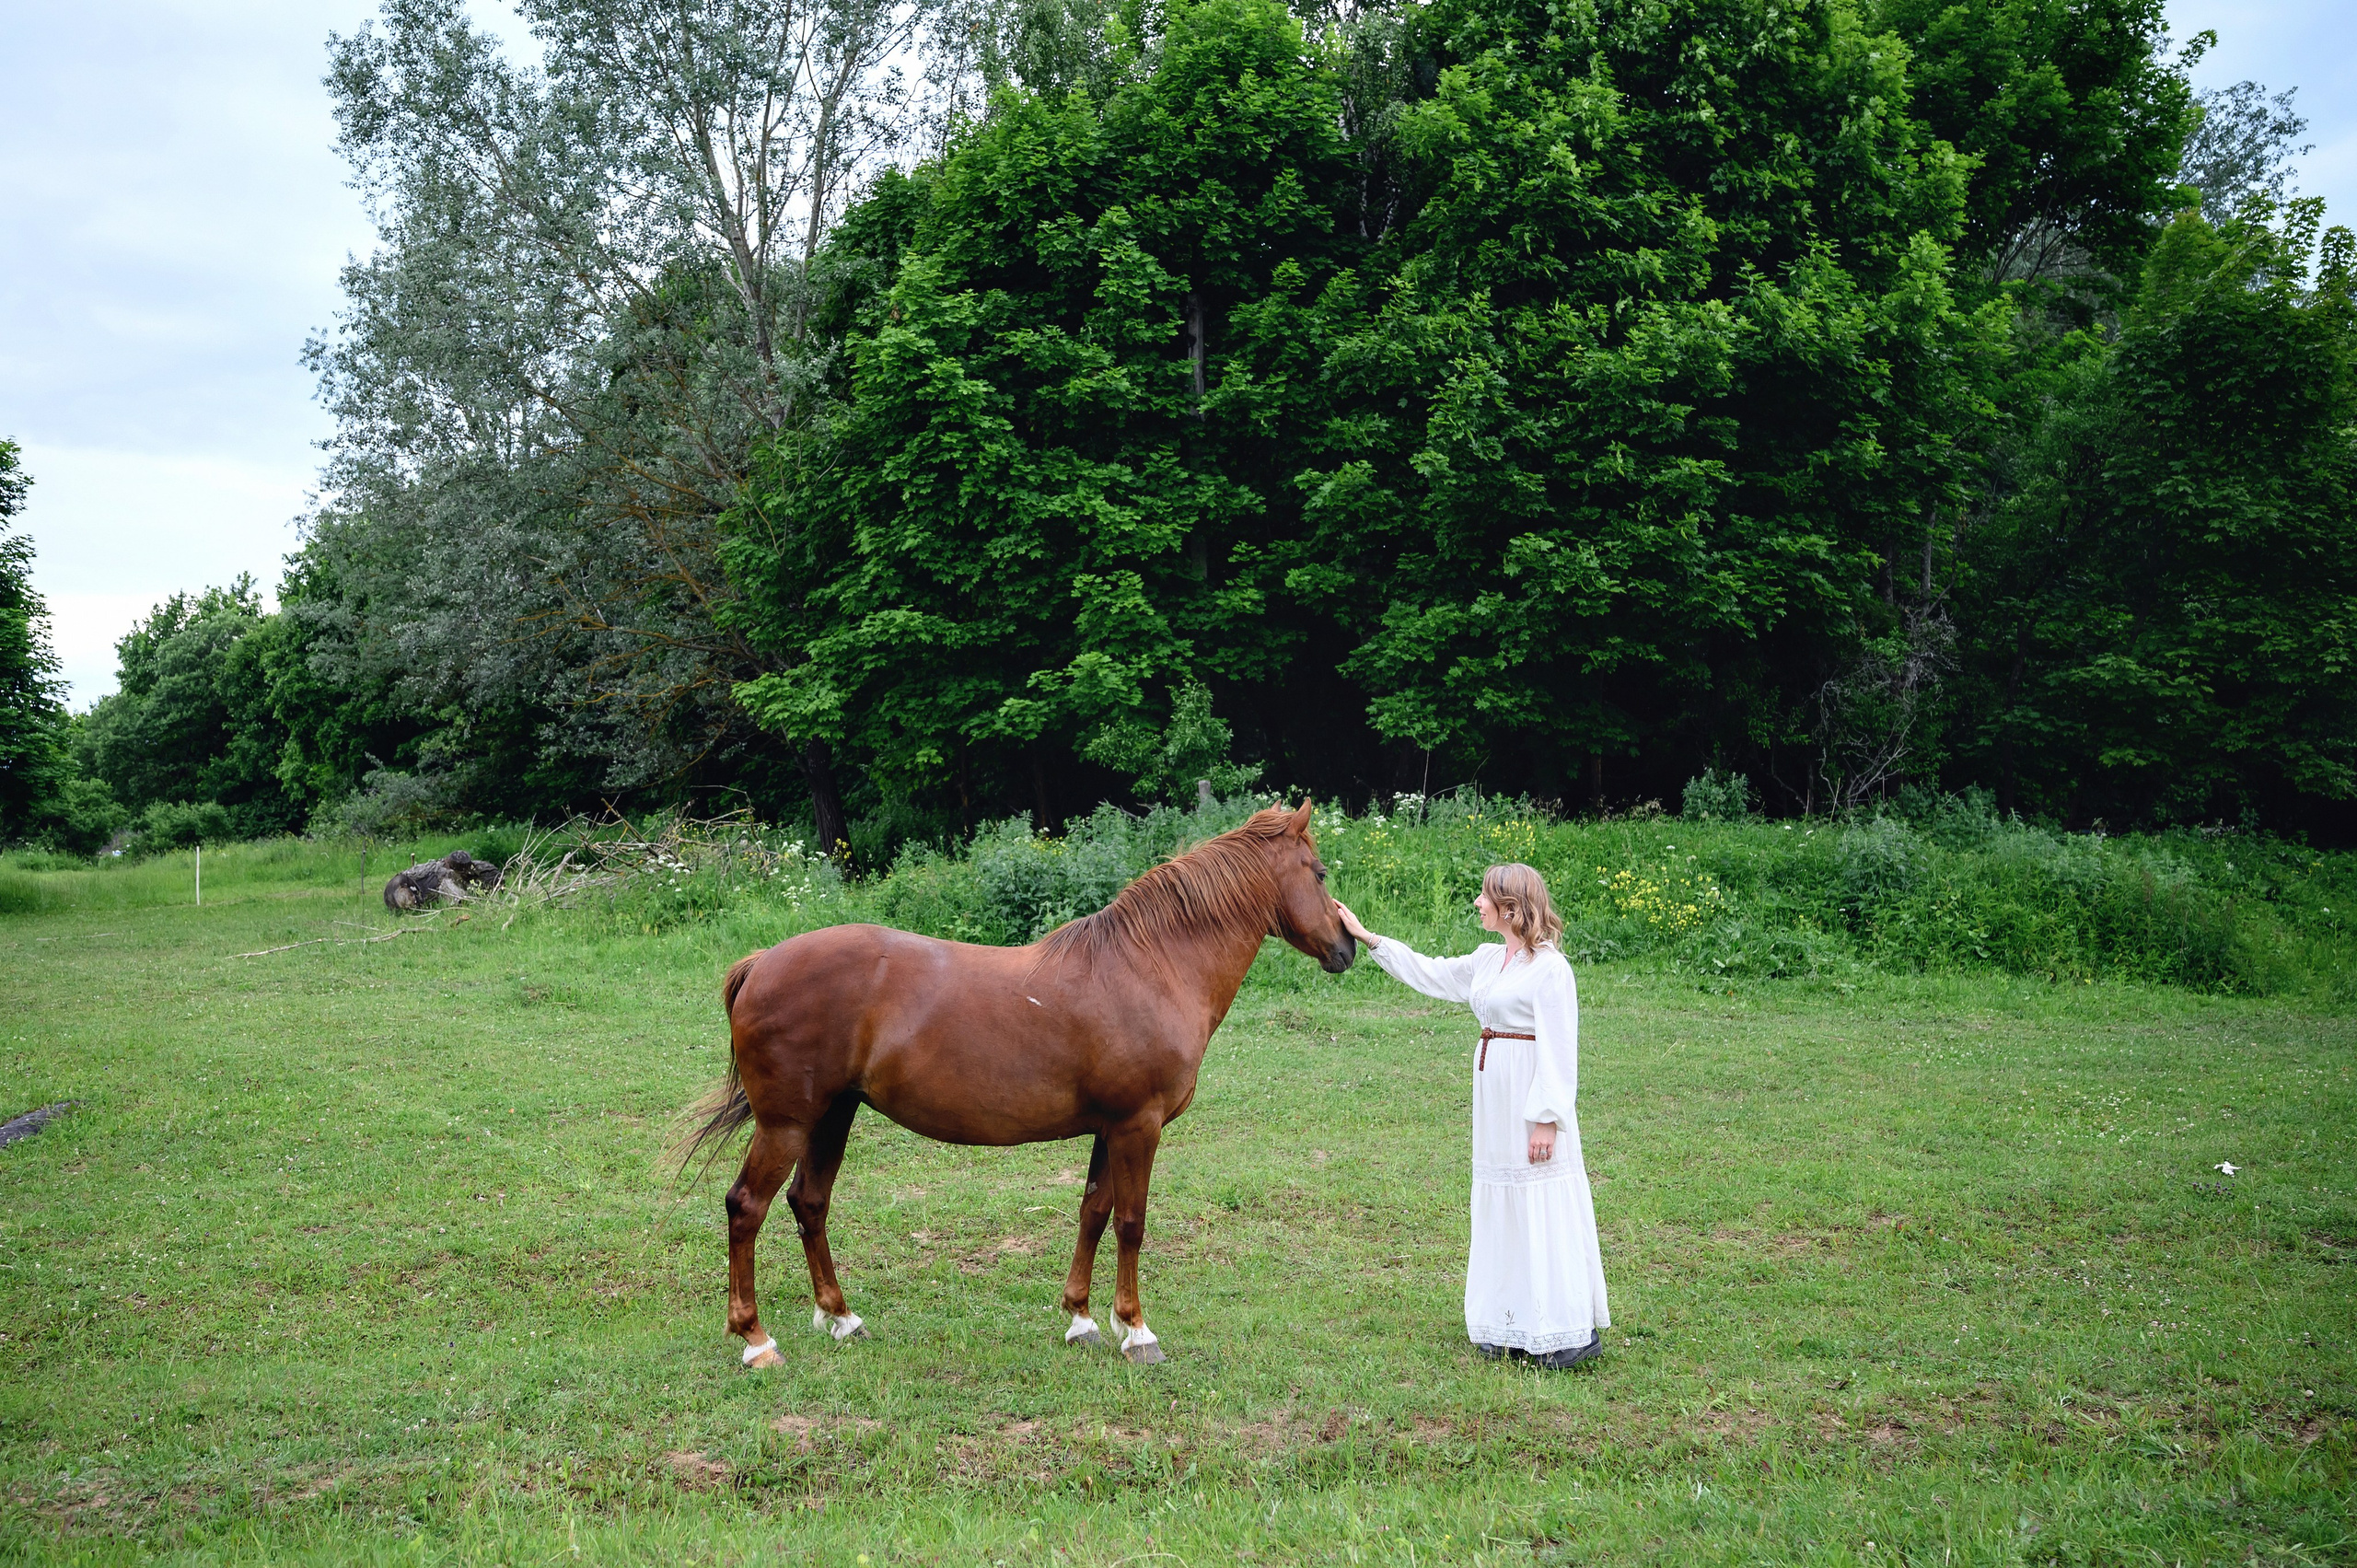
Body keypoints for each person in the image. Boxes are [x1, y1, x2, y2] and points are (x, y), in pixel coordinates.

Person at [1332, 864, 1609, 1368]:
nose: (1477, 905)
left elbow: (1559, 1049)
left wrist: (1547, 1117)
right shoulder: (1487, 959)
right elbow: (1432, 972)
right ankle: (1510, 1320)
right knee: (1503, 1199)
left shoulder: (1550, 969)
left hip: (1528, 1100)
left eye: (1485, 898)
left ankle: (1560, 1330)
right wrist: (1370, 939)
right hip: (1494, 1102)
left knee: (1538, 1197)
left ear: (1511, 907)